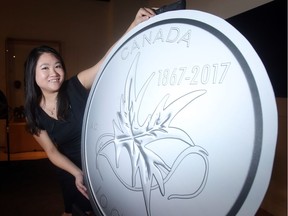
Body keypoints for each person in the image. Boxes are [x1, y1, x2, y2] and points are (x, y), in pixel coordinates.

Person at [24, 8, 156, 216]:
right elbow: (51, 151)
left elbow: (108, 59)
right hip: (71, 168)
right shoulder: (33, 112)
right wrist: (77, 173)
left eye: (58, 66)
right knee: (74, 211)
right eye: (45, 68)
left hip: (104, 160)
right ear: (32, 74)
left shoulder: (76, 85)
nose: (54, 73)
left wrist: (134, 25)